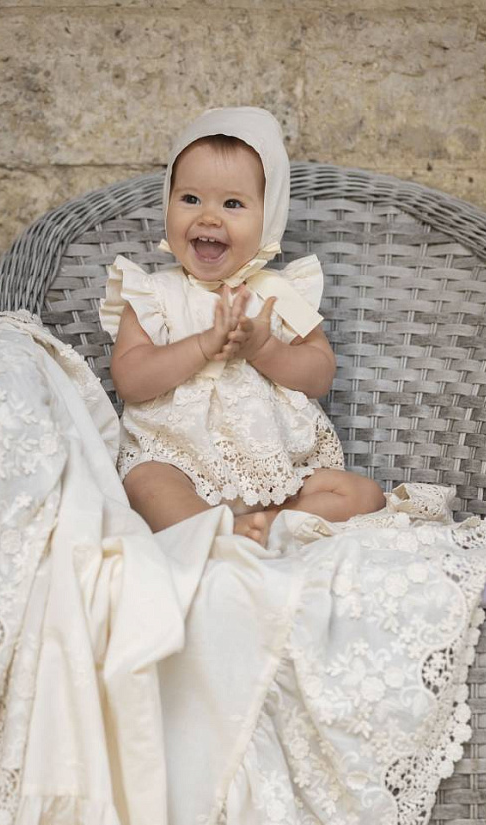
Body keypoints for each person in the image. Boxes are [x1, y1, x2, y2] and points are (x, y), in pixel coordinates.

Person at [99, 107, 386, 544]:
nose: (209, 218)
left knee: (363, 494)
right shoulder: (153, 295)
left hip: (279, 474)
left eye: (232, 204)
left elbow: (320, 374)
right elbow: (130, 380)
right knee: (145, 482)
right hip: (181, 465)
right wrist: (202, 345)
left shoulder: (278, 294)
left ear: (269, 217)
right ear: (167, 201)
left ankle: (268, 525)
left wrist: (264, 349)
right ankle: (216, 531)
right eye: (190, 199)